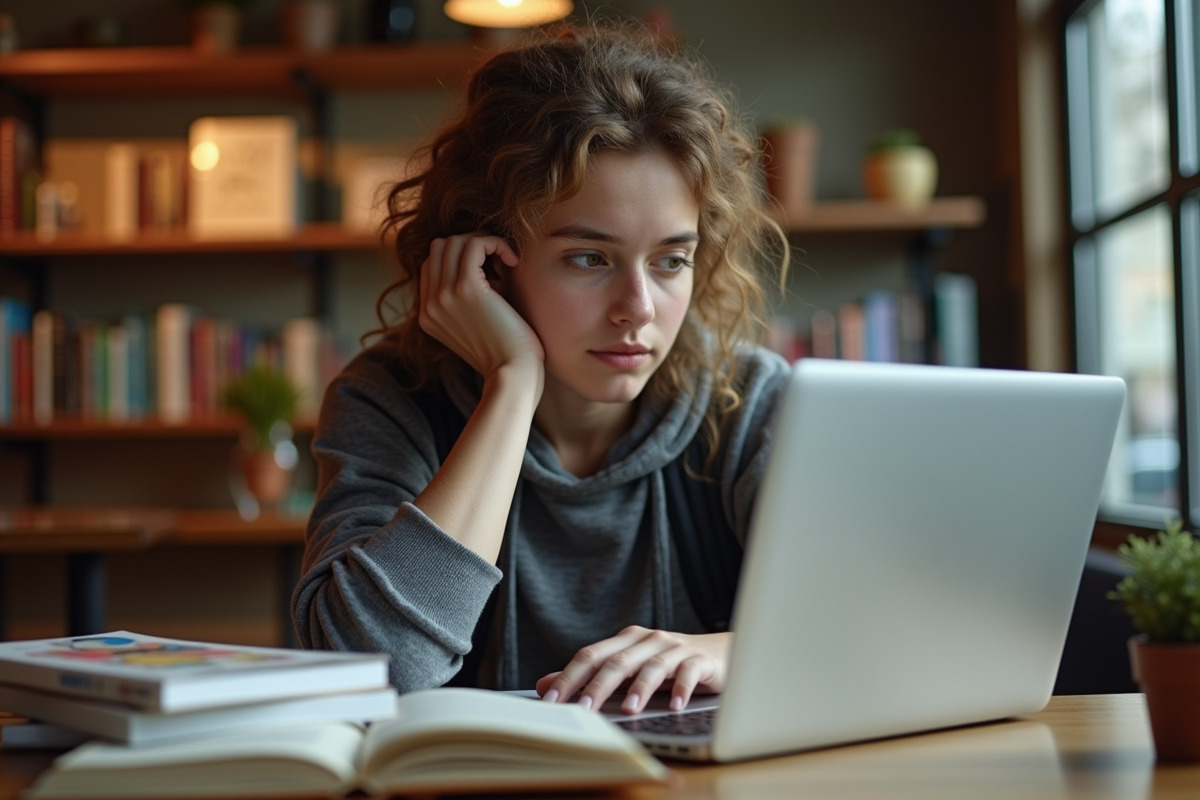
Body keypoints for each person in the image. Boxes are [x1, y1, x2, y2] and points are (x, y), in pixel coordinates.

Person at [292, 22, 792, 716]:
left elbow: (880, 629)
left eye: (671, 260)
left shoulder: (750, 401)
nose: (637, 309)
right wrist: (511, 386)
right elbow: (363, 672)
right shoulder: (391, 399)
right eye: (590, 258)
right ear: (488, 259)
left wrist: (723, 651)